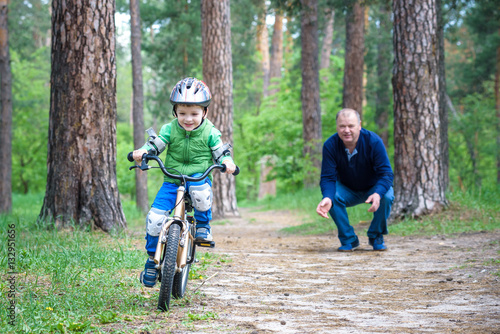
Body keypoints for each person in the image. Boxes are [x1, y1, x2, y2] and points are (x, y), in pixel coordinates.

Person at [132, 77, 237, 287]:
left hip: (198, 178)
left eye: (194, 114)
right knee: (154, 219)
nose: (188, 119)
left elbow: (220, 152)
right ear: (175, 113)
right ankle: (152, 260)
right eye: (182, 114)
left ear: (204, 113)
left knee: (201, 195)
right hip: (172, 181)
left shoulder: (210, 132)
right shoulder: (170, 129)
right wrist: (144, 151)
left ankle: (203, 226)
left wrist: (227, 162)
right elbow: (157, 144)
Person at [316, 108, 394, 252]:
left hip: (372, 188)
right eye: (342, 126)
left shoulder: (374, 141)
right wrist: (327, 197)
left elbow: (386, 174)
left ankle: (376, 235)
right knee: (331, 197)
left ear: (359, 125)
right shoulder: (330, 145)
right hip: (347, 190)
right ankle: (349, 239)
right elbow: (328, 178)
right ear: (337, 127)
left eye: (351, 126)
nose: (347, 130)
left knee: (387, 195)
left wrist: (377, 193)